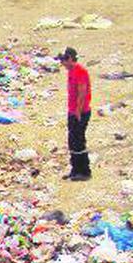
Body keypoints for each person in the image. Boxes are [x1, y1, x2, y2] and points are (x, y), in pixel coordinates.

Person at [56, 46, 92, 181]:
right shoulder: (71, 71)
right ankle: (75, 169)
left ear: (70, 59)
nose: (62, 64)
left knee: (78, 141)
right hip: (73, 111)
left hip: (81, 112)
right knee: (72, 141)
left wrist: (78, 111)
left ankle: (84, 171)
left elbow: (82, 92)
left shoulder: (80, 71)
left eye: (63, 61)